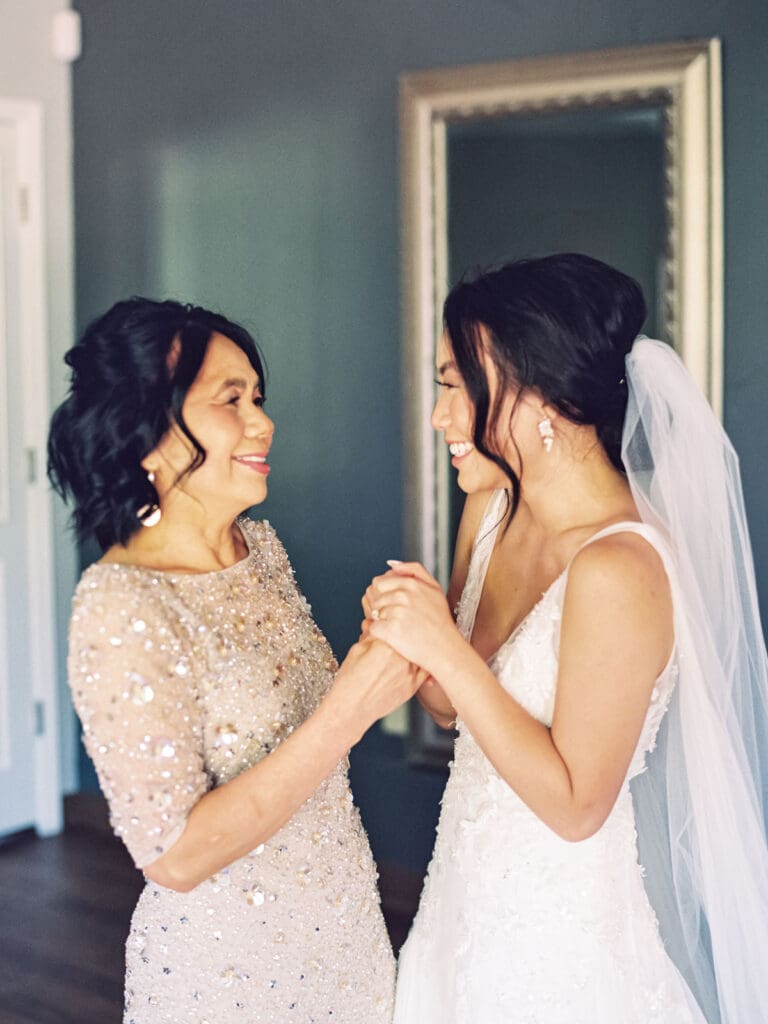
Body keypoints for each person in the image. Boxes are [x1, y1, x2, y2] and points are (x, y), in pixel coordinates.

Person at [363, 254, 768, 1024]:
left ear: (536, 394)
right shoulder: (492, 510)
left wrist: (440, 646)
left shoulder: (622, 568)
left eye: (453, 385)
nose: (440, 415)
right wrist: (409, 625)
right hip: (459, 900)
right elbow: (454, 707)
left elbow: (580, 805)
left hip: (559, 942)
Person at [48, 298, 418, 1024]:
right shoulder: (120, 603)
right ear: (147, 434)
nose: (262, 420)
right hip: (228, 973)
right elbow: (173, 858)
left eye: (258, 396)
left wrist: (379, 658)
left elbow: (295, 726)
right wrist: (349, 711)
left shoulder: (261, 550)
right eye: (231, 399)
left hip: (345, 940)